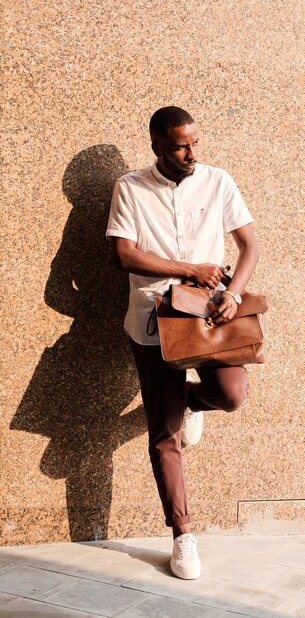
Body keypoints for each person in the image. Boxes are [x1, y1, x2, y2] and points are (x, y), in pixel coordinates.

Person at [106, 106, 259, 579]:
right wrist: (189, 268)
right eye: (180, 145)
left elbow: (249, 245)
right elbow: (123, 254)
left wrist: (232, 293)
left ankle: (191, 402)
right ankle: (182, 534)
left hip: (210, 315)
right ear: (156, 145)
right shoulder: (130, 187)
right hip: (151, 321)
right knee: (164, 435)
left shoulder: (217, 181)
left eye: (195, 142)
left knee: (232, 394)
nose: (192, 153)